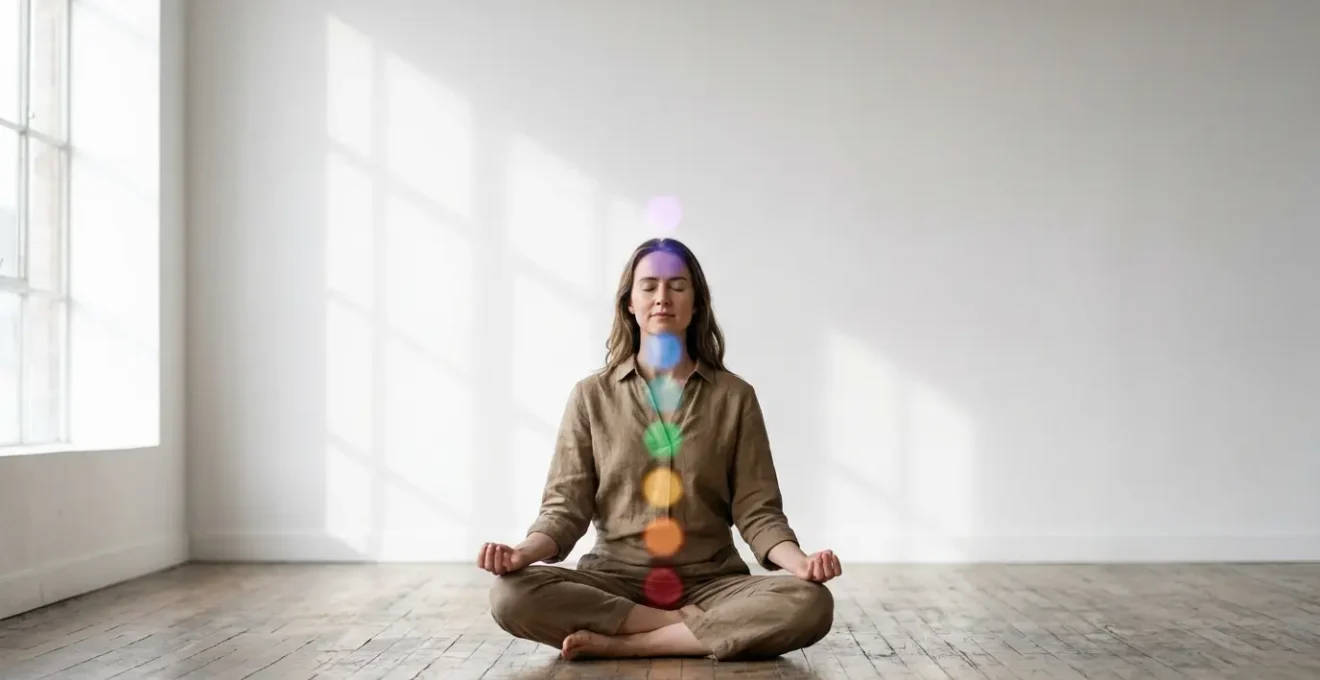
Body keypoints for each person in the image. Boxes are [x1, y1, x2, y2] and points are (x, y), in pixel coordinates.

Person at [478, 238, 842, 661]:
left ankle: (628, 646)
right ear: (629, 302)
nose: (662, 298)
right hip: (615, 582)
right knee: (511, 595)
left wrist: (801, 565)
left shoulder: (735, 397)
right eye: (649, 286)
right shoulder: (590, 397)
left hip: (713, 584)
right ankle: (678, 630)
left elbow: (757, 510)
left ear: (696, 302)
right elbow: (565, 509)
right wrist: (521, 553)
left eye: (677, 286)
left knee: (810, 603)